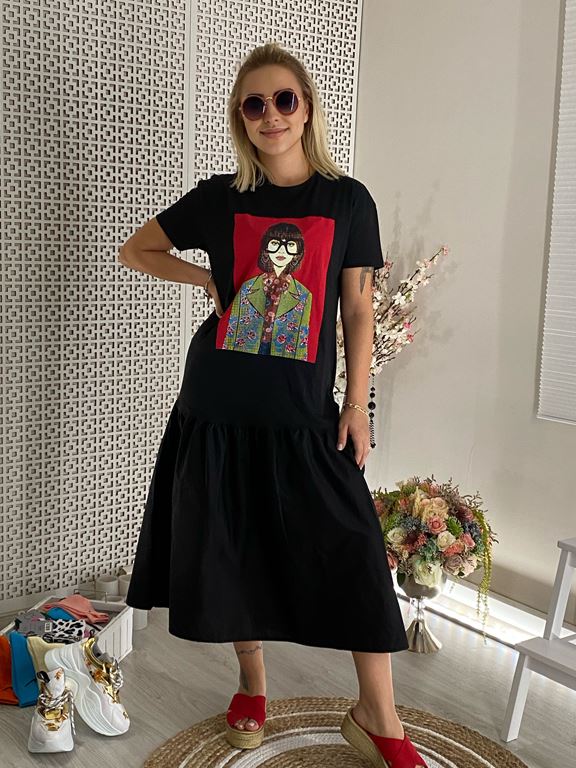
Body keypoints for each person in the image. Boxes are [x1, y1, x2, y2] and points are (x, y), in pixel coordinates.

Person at [119, 42, 428, 768]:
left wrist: (357, 404)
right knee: (236, 547)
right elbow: (137, 250)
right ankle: (253, 685)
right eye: (253, 104)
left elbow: (358, 307)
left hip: (304, 411)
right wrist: (205, 280)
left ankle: (378, 716)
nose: (271, 115)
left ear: (307, 107)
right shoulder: (219, 199)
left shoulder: (346, 200)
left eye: (284, 99)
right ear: (241, 117)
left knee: (354, 549)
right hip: (219, 405)